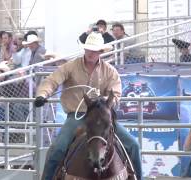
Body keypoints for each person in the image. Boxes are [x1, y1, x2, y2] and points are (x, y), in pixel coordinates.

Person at [35, 32, 142, 180]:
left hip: (102, 117)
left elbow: (116, 95)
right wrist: (42, 94)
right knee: (57, 149)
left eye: (95, 50)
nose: (91, 53)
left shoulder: (110, 71)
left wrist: (106, 100)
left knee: (133, 145)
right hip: (77, 116)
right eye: (89, 49)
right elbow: (52, 81)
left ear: (100, 52)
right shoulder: (70, 67)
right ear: (84, 49)